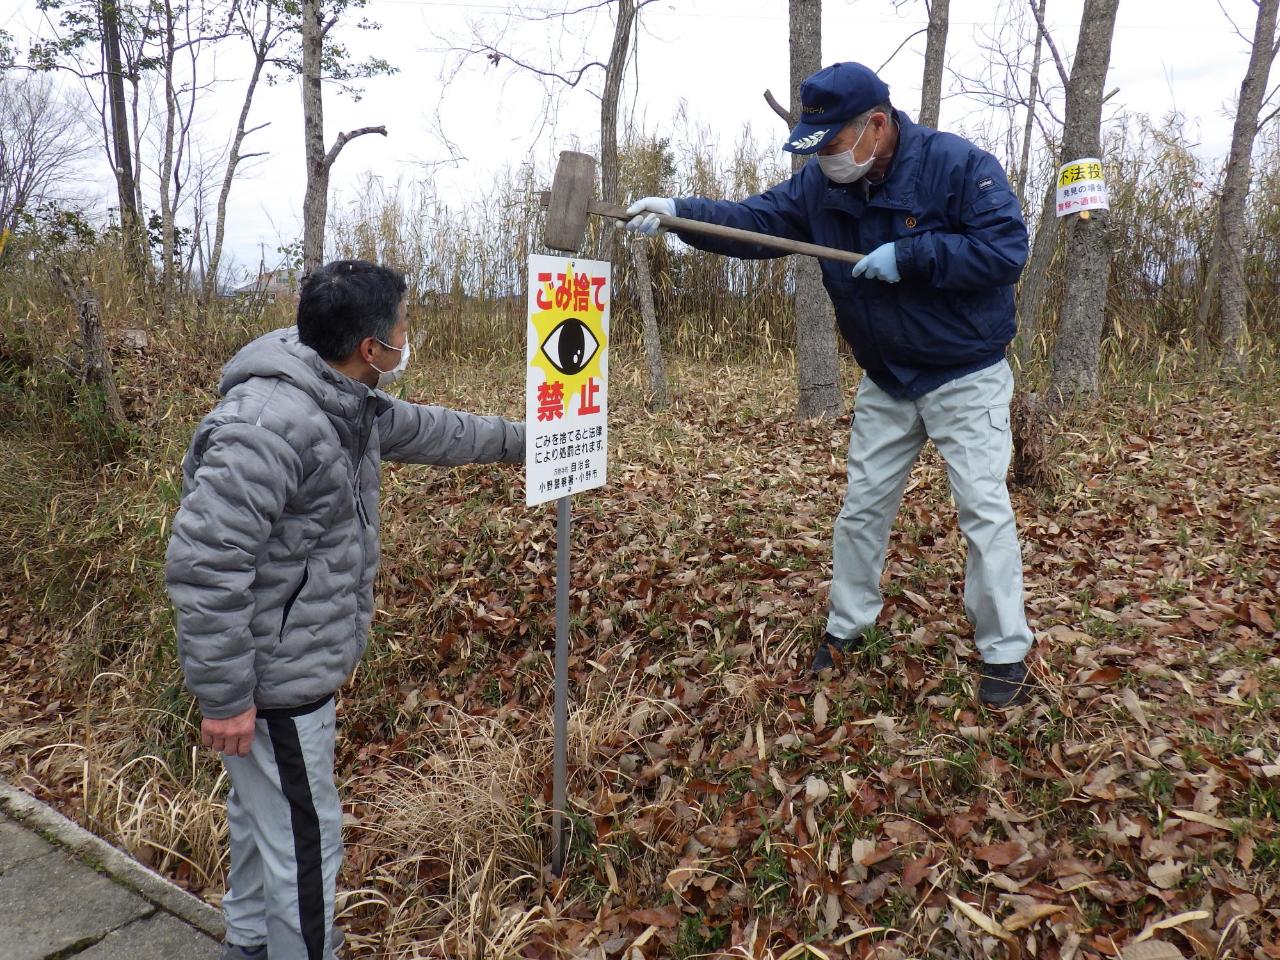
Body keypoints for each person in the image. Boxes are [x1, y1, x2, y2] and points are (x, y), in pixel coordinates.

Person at [625, 62, 1035, 708]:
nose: (822, 160)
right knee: (862, 508)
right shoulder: (821, 190)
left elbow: (1007, 248)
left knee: (983, 510)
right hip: (888, 378)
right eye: (812, 149)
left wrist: (914, 255)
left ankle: (1006, 649)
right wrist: (678, 215)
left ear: (875, 126)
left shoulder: (955, 166)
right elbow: (753, 224)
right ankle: (848, 628)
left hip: (967, 372)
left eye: (830, 144)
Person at [165, 260, 525, 960]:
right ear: (372, 348)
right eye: (402, 326)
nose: (406, 336)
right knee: (305, 842)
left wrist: (533, 440)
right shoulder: (271, 424)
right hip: (275, 680)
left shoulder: (339, 398)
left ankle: (246, 945)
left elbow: (437, 432)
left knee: (260, 824)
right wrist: (227, 695)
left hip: (281, 667)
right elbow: (206, 561)